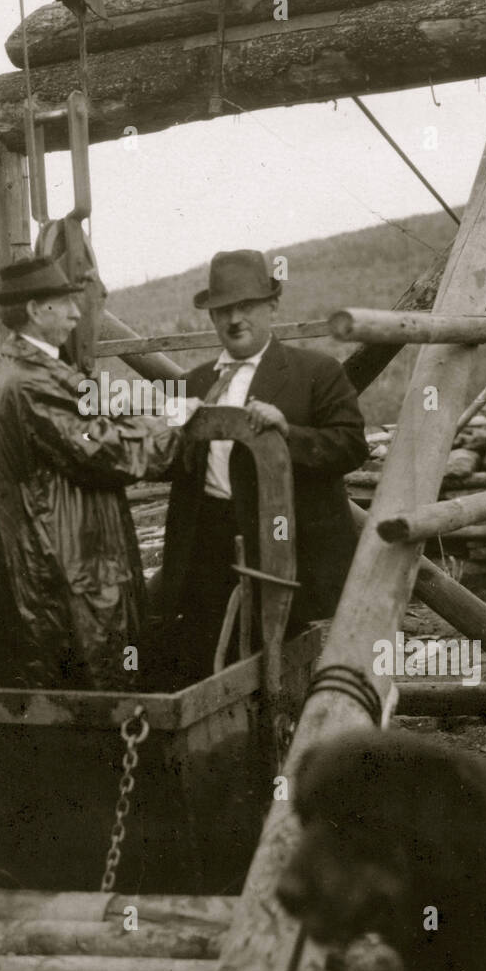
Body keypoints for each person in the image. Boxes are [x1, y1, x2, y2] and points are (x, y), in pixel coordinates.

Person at [0, 256, 190, 691]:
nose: (78, 313)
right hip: (68, 559)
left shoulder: (3, 374)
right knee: (97, 685)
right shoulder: (33, 382)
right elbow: (103, 450)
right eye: (66, 303)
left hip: (48, 551)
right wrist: (185, 433)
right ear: (36, 310)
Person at [160, 248, 368, 684]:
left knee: (286, 666)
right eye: (223, 311)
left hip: (287, 544)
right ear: (212, 317)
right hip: (208, 543)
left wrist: (288, 432)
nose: (235, 319)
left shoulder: (316, 372)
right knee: (210, 661)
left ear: (272, 306)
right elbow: (170, 463)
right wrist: (164, 429)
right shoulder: (193, 383)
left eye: (247, 306)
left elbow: (350, 446)